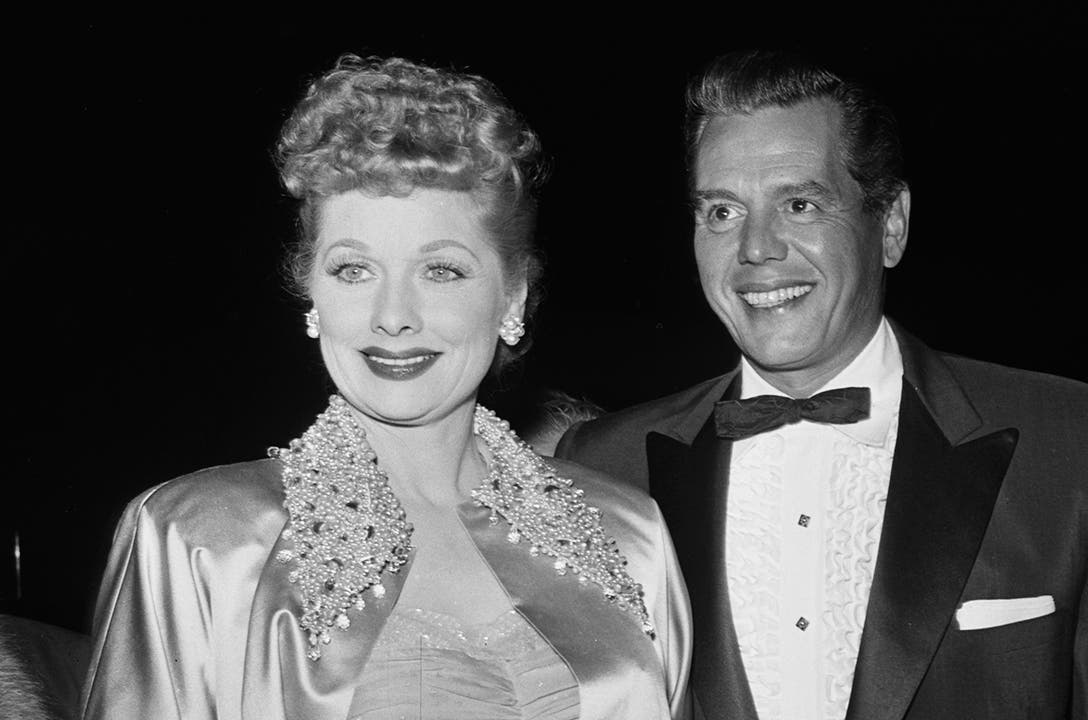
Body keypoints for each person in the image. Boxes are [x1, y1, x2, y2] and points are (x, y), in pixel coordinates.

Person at [556, 50, 1088, 719]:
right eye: (722, 211)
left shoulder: (1085, 450)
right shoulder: (602, 470)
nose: (755, 248)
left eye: (800, 204)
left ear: (890, 224)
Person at [79, 55, 690, 720]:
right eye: (354, 270)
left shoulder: (630, 534)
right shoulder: (196, 539)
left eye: (441, 271)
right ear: (311, 291)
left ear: (512, 296)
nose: (392, 315)